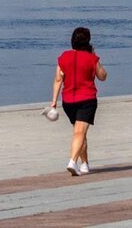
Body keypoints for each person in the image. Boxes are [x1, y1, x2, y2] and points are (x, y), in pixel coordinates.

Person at [49, 26, 107, 176]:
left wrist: (53, 102)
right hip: (86, 99)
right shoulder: (91, 58)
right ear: (87, 42)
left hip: (68, 101)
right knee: (80, 132)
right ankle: (72, 162)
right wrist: (94, 55)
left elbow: (58, 79)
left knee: (79, 132)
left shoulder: (63, 57)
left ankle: (85, 164)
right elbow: (103, 76)